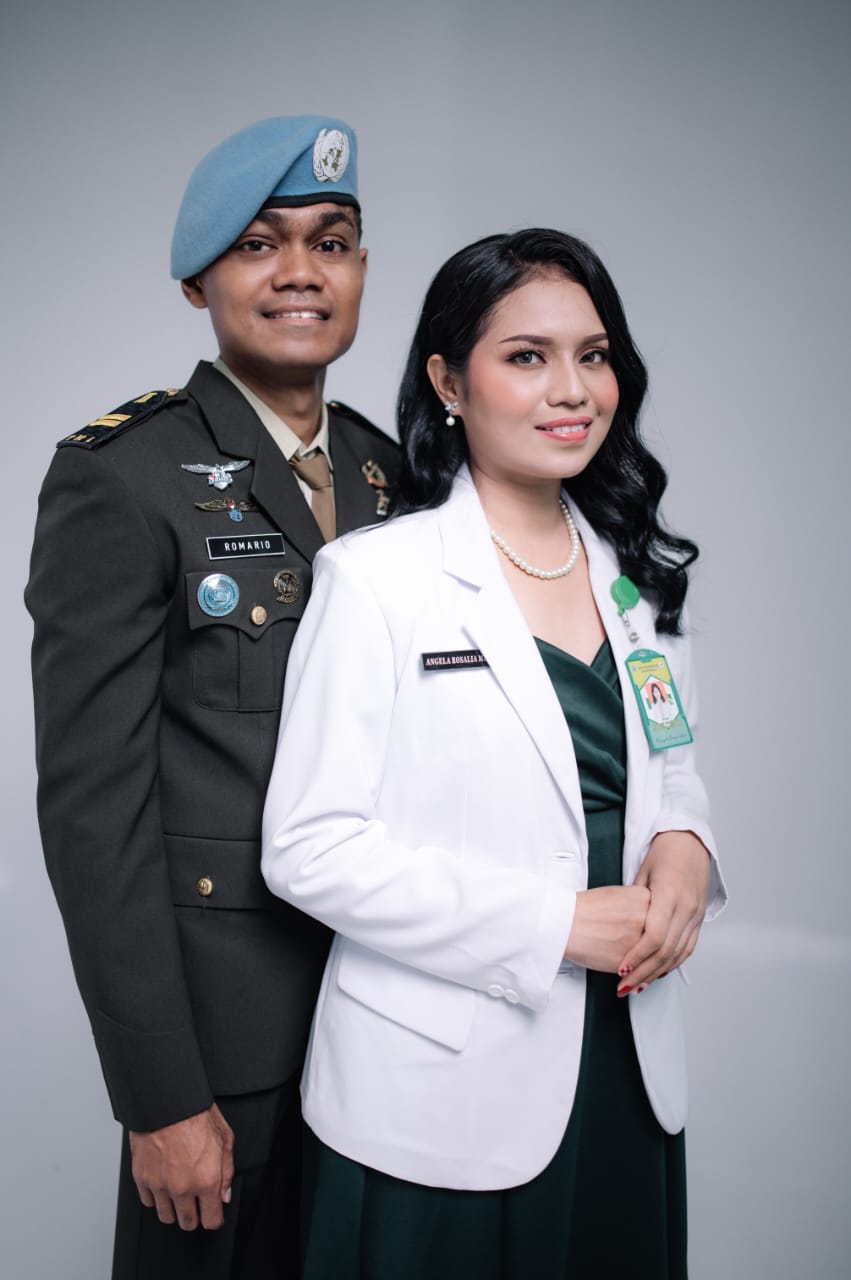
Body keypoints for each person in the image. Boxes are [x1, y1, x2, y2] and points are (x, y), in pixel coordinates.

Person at [261, 228, 727, 1278]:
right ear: (447, 381)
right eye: (526, 356)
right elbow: (308, 846)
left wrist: (687, 846)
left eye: (592, 355)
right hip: (439, 1080)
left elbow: (671, 768)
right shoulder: (376, 579)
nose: (571, 390)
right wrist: (551, 925)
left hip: (623, 1060)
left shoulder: (637, 577)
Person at [25, 115, 399, 1280]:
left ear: (360, 270)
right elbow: (93, 812)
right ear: (198, 281)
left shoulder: (395, 477)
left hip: (390, 1019)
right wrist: (160, 1093)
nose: (299, 272)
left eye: (328, 242)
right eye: (256, 244)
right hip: (223, 1047)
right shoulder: (122, 475)